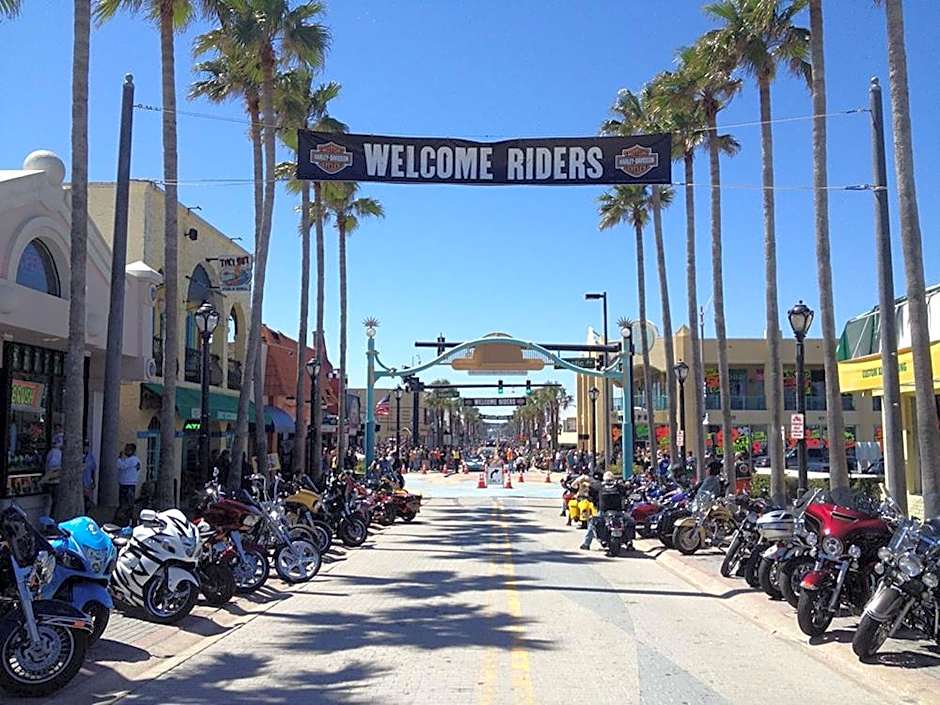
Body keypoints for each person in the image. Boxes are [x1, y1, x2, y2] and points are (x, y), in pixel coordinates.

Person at [581, 470, 635, 551]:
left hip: (604, 512)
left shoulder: (599, 486)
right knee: (629, 522)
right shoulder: (619, 487)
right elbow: (627, 492)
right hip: (618, 512)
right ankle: (629, 542)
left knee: (592, 523)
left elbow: (590, 492)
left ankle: (586, 543)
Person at [117, 443, 142, 519]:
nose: (125, 451)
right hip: (130, 484)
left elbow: (121, 466)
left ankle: (125, 518)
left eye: (127, 450)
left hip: (127, 484)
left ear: (132, 451)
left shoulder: (132, 460)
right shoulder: (136, 460)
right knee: (129, 503)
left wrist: (119, 458)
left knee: (126, 504)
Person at [82, 440, 97, 514]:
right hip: (80, 482)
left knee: (87, 501)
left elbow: (93, 470)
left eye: (87, 446)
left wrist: (94, 481)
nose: (86, 448)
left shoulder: (90, 456)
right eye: (85, 446)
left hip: (87, 482)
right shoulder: (78, 456)